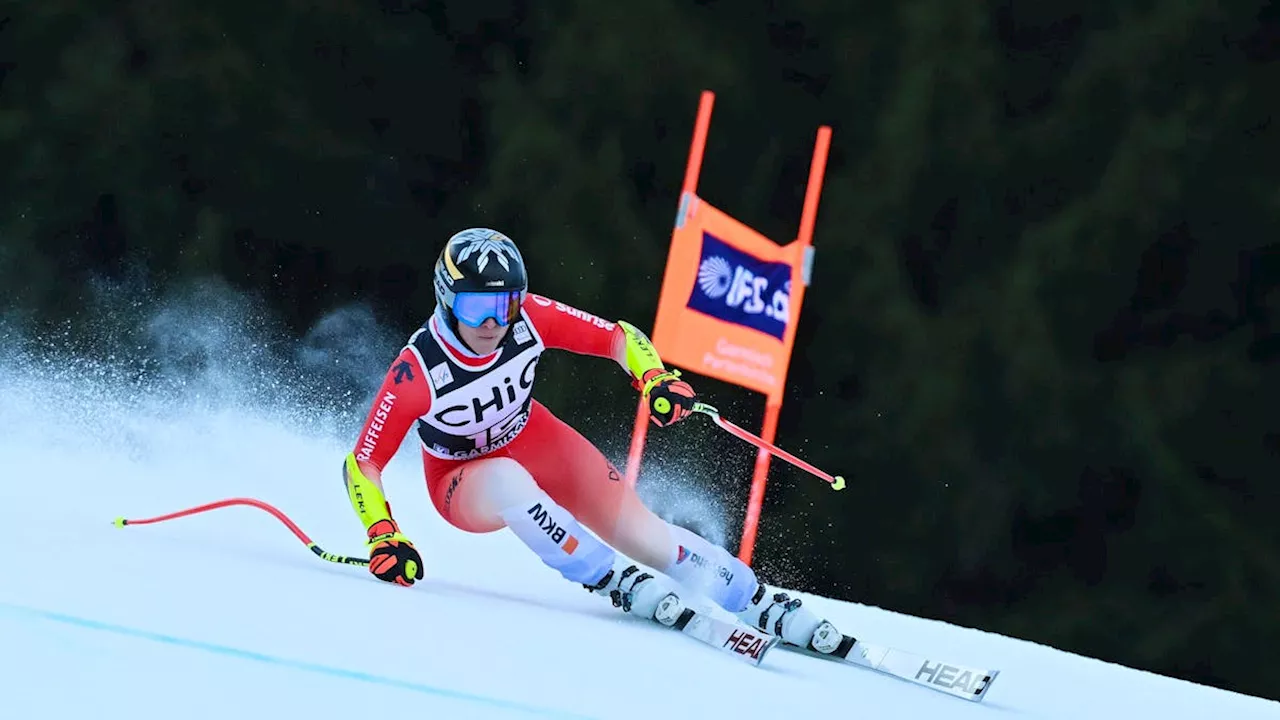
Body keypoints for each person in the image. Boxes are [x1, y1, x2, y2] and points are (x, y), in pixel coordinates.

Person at [341, 227, 843, 653]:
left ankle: (752, 598)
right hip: (459, 478)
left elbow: (618, 336)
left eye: (505, 304)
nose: (493, 323)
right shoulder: (418, 370)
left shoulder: (529, 319)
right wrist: (384, 533)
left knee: (646, 534)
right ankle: (605, 575)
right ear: (447, 301)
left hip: (533, 436)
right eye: (477, 309)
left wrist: (655, 378)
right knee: (507, 480)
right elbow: (362, 463)